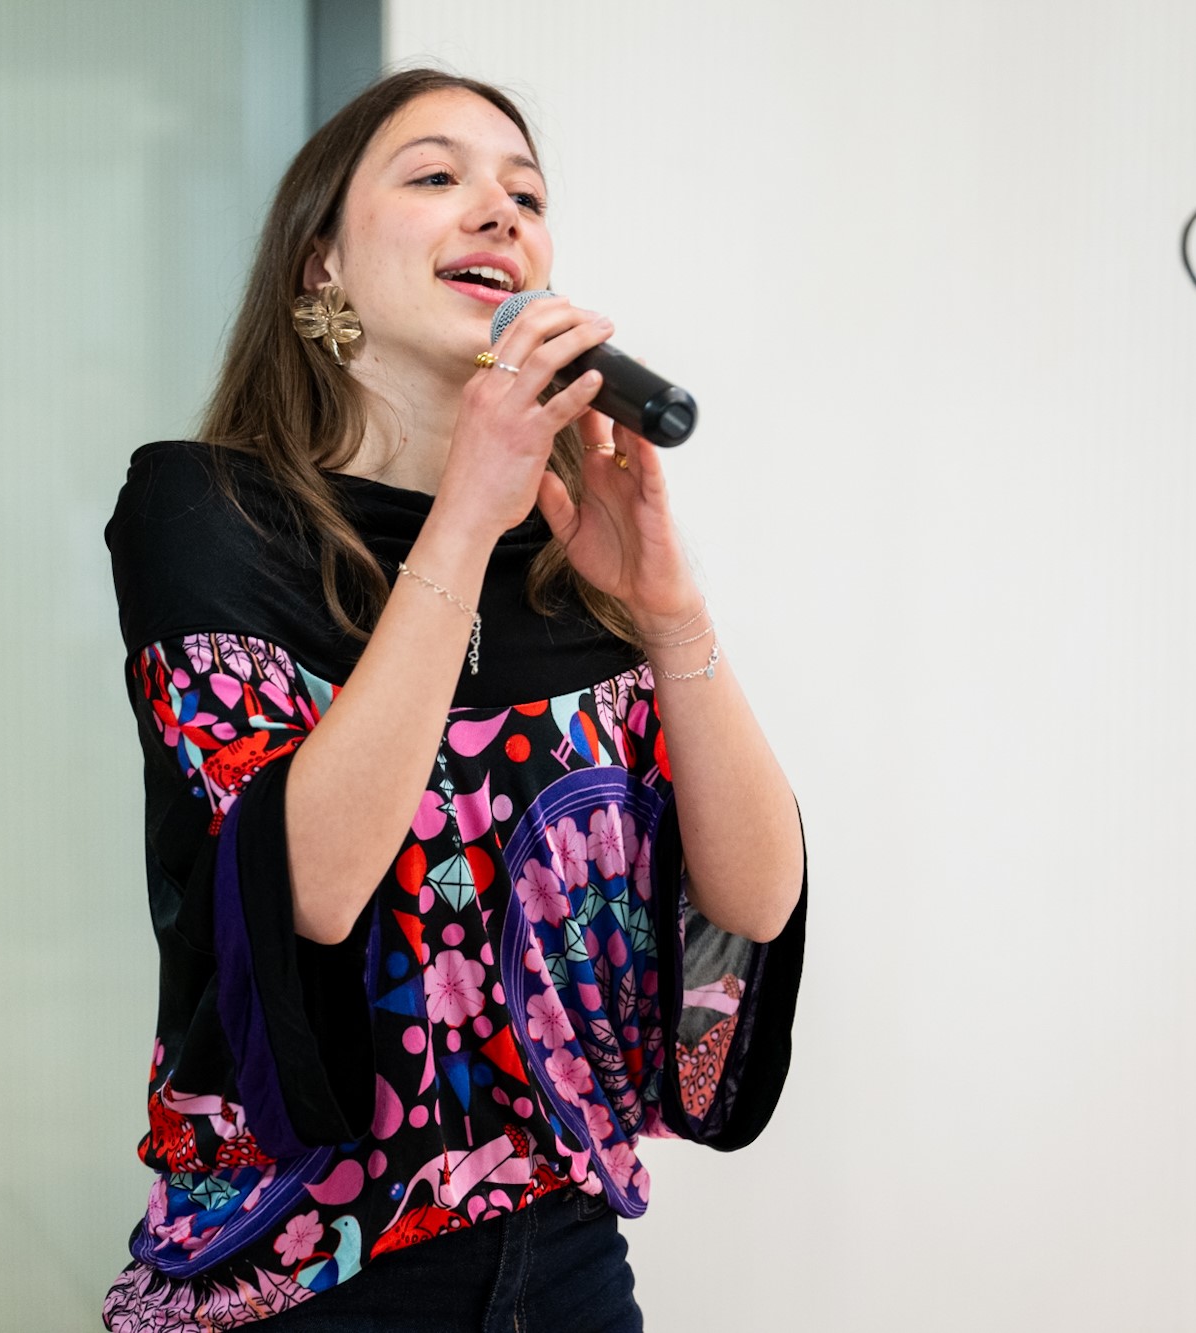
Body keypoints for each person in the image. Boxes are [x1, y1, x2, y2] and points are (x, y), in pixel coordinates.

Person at [100, 68, 808, 1332]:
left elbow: (748, 902)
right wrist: (467, 513)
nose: (497, 210)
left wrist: (667, 608)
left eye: (524, 194)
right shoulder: (206, 517)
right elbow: (311, 885)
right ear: (318, 266)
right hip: (303, 1280)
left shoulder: (567, 551)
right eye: (436, 177)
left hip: (570, 1265)